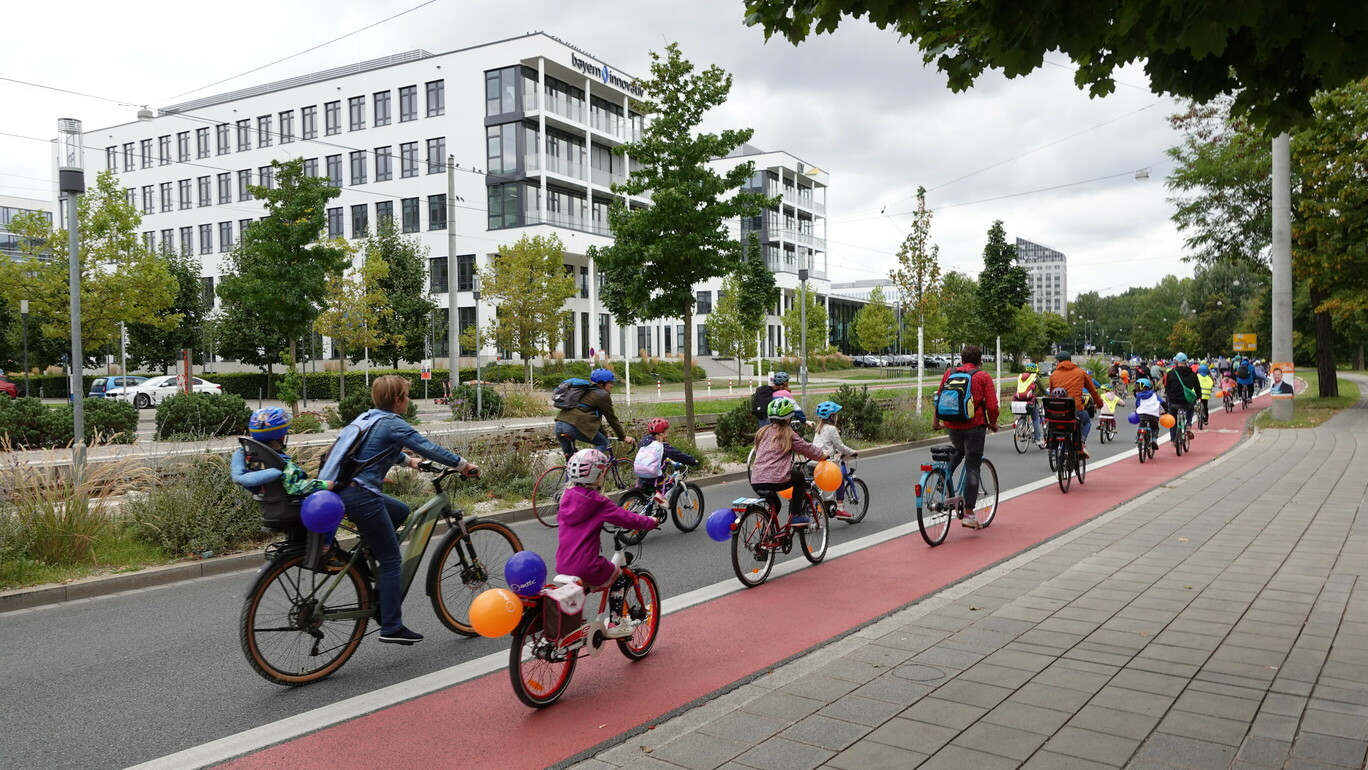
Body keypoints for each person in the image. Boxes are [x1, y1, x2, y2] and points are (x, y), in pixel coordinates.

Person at [337, 375, 479, 646]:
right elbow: (428, 447)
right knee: (392, 561)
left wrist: (409, 462)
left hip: (343, 490)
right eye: (407, 396)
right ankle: (391, 626)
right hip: (362, 496)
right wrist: (463, 465)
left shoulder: (368, 417)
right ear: (397, 400)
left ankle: (367, 558)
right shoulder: (393, 422)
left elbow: (375, 449)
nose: (409, 400)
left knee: (400, 510)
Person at [555, 448, 658, 638]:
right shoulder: (599, 503)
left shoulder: (566, 497)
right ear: (597, 475)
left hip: (563, 562)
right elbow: (627, 518)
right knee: (617, 575)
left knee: (580, 588)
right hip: (587, 564)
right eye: (603, 472)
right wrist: (650, 522)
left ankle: (575, 624)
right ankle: (615, 622)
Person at [932, 345, 1000, 528]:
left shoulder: (949, 373)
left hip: (952, 424)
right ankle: (969, 514)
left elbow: (938, 397)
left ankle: (943, 479)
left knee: (958, 450)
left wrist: (936, 422)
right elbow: (992, 406)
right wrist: (993, 423)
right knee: (973, 465)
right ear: (980, 361)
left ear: (961, 360)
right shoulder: (982, 376)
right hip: (974, 425)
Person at [750, 397, 825, 527]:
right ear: (788, 418)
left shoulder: (762, 432)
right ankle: (796, 515)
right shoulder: (788, 433)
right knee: (800, 477)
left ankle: (768, 536)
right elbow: (807, 449)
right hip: (776, 479)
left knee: (776, 505)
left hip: (756, 480)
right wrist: (822, 455)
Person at [231, 407, 335, 496]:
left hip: (270, 510)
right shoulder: (282, 463)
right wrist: (324, 485)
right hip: (293, 513)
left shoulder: (254, 458)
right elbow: (294, 488)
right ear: (281, 436)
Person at [554, 368, 634, 461]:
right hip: (573, 426)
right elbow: (611, 418)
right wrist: (623, 437)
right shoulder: (603, 395)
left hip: (559, 425)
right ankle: (589, 466)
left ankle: (573, 474)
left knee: (570, 462)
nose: (612, 385)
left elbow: (595, 418)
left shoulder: (586, 391)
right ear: (601, 383)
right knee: (603, 443)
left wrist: (604, 434)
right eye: (610, 382)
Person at [1045, 351, 1102, 459]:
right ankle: (1081, 442)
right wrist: (1099, 403)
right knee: (1086, 422)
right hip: (1075, 408)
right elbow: (1093, 391)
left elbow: (1052, 393)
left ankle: (1054, 448)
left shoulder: (1053, 375)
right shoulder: (1081, 373)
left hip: (1056, 411)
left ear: (1058, 362)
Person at [812, 400, 858, 519]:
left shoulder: (819, 429)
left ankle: (817, 506)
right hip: (825, 463)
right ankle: (840, 508)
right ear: (832, 416)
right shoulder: (832, 429)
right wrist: (853, 452)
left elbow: (823, 444)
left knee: (816, 487)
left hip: (813, 461)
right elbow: (840, 447)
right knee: (839, 478)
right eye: (836, 415)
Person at [633, 418, 699, 497]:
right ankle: (661, 500)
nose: (667, 435)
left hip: (641, 476)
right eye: (666, 432)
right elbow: (678, 454)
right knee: (671, 482)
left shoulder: (643, 441)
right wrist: (692, 460)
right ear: (660, 434)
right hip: (654, 478)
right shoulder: (662, 446)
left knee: (648, 493)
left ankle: (649, 500)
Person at [1162, 352, 1202, 443]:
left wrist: (1168, 395)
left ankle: (1173, 439)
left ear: (1177, 362)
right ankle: (1188, 425)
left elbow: (1167, 387)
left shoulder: (1171, 373)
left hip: (1174, 401)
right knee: (1190, 409)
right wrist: (1199, 397)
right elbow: (1197, 388)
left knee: (1173, 419)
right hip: (1186, 401)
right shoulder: (1192, 374)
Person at [1013, 362, 1048, 447]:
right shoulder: (1035, 377)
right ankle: (1038, 439)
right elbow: (1042, 388)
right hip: (1030, 400)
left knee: (1023, 414)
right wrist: (1047, 394)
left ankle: (1022, 425)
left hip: (1019, 400)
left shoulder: (1020, 376)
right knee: (1035, 418)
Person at [1132, 378, 1165, 449]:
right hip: (1153, 415)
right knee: (1155, 427)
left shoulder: (1139, 396)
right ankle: (1154, 439)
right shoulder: (1154, 395)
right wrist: (1166, 411)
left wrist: (1136, 411)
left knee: (1141, 424)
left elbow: (1137, 405)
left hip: (1142, 414)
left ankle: (1138, 436)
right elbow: (1163, 403)